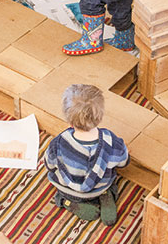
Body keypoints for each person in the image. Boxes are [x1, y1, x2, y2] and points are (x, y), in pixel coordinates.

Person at [44, 84, 129, 225]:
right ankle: (106, 195)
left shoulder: (58, 142)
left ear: (69, 120)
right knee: (110, 180)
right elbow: (124, 162)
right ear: (100, 117)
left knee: (61, 188)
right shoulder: (111, 141)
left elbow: (50, 164)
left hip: (68, 189)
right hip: (99, 187)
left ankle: (67, 202)